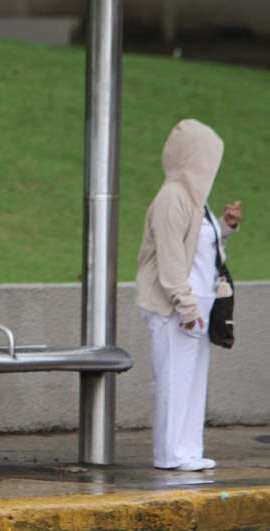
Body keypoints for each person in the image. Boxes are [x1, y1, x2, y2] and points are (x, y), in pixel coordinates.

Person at [135, 118, 242, 472]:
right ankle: (169, 454)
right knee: (173, 380)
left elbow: (198, 247)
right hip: (174, 307)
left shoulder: (198, 202)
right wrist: (185, 304)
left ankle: (189, 449)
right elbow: (170, 258)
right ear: (192, 159)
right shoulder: (172, 199)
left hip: (199, 304)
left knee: (194, 382)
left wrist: (225, 227)